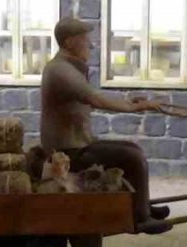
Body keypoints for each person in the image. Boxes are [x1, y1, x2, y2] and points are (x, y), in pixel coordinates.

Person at [39, 17, 171, 232]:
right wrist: (137, 108)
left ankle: (140, 206)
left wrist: (129, 102)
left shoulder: (65, 68)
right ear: (70, 42)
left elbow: (94, 95)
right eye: (85, 39)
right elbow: (96, 99)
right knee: (133, 157)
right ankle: (140, 218)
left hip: (78, 145)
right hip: (68, 153)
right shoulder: (61, 71)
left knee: (132, 149)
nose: (90, 45)